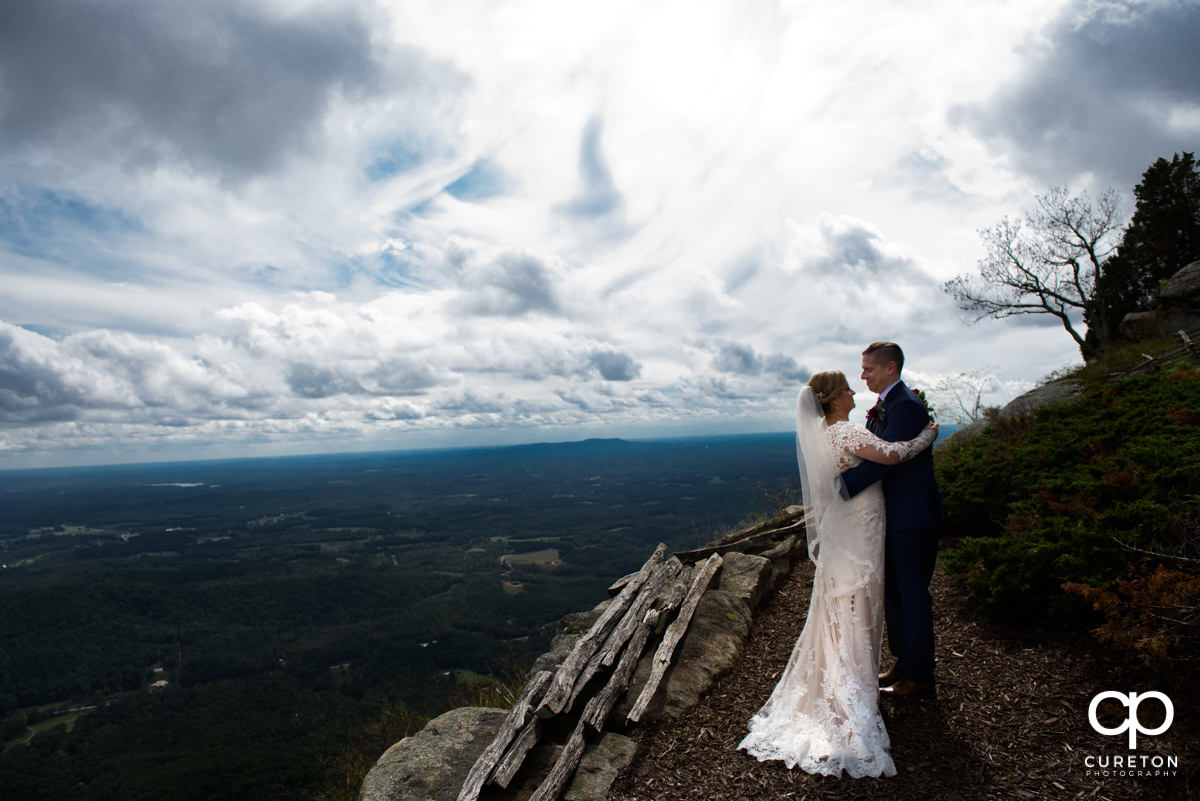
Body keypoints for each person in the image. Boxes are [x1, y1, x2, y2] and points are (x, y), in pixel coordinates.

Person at [739, 370, 937, 777]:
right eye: (847, 388)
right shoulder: (846, 433)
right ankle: (852, 690)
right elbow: (895, 455)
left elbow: (824, 484)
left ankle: (846, 676)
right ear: (832, 400)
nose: (853, 391)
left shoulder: (824, 438)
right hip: (860, 526)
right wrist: (926, 437)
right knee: (859, 599)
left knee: (840, 602)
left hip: (841, 527)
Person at [838, 342, 943, 699]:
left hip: (913, 516)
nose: (862, 374)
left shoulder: (907, 407)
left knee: (911, 595)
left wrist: (839, 486)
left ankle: (921, 674)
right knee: (896, 594)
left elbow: (885, 460)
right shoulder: (889, 405)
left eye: (868, 368)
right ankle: (905, 662)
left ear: (890, 368)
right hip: (894, 515)